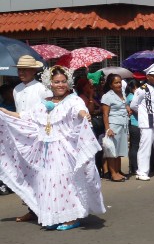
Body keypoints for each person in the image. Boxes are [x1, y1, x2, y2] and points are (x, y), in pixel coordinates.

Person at [0, 65, 106, 230]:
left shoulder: (73, 100)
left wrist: (84, 115)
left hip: (64, 149)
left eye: (63, 81)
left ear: (68, 82)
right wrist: (4, 112)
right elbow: (25, 116)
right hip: (46, 150)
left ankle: (72, 218)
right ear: (50, 83)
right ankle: (55, 216)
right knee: (49, 183)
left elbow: (79, 110)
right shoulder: (44, 103)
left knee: (65, 182)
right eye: (57, 82)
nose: (60, 85)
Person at [12, 55, 51, 221]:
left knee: (40, 172)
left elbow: (49, 110)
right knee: (25, 173)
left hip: (38, 135)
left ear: (33, 71)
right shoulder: (16, 89)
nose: (22, 73)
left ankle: (45, 207)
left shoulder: (42, 89)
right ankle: (32, 207)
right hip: (21, 136)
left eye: (25, 70)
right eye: (20, 70)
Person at [101, 73, 130, 182]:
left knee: (119, 150)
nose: (119, 84)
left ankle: (118, 171)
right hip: (113, 125)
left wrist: (127, 109)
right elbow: (105, 114)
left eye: (120, 82)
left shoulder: (122, 93)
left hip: (123, 124)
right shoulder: (107, 96)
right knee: (112, 151)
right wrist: (108, 128)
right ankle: (113, 173)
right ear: (111, 84)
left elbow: (124, 105)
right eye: (116, 82)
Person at [126, 79, 141, 175]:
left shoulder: (134, 96)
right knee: (135, 146)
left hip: (138, 123)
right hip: (135, 123)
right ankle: (135, 167)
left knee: (135, 146)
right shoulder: (131, 97)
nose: (136, 89)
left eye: (137, 87)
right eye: (134, 87)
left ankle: (134, 166)